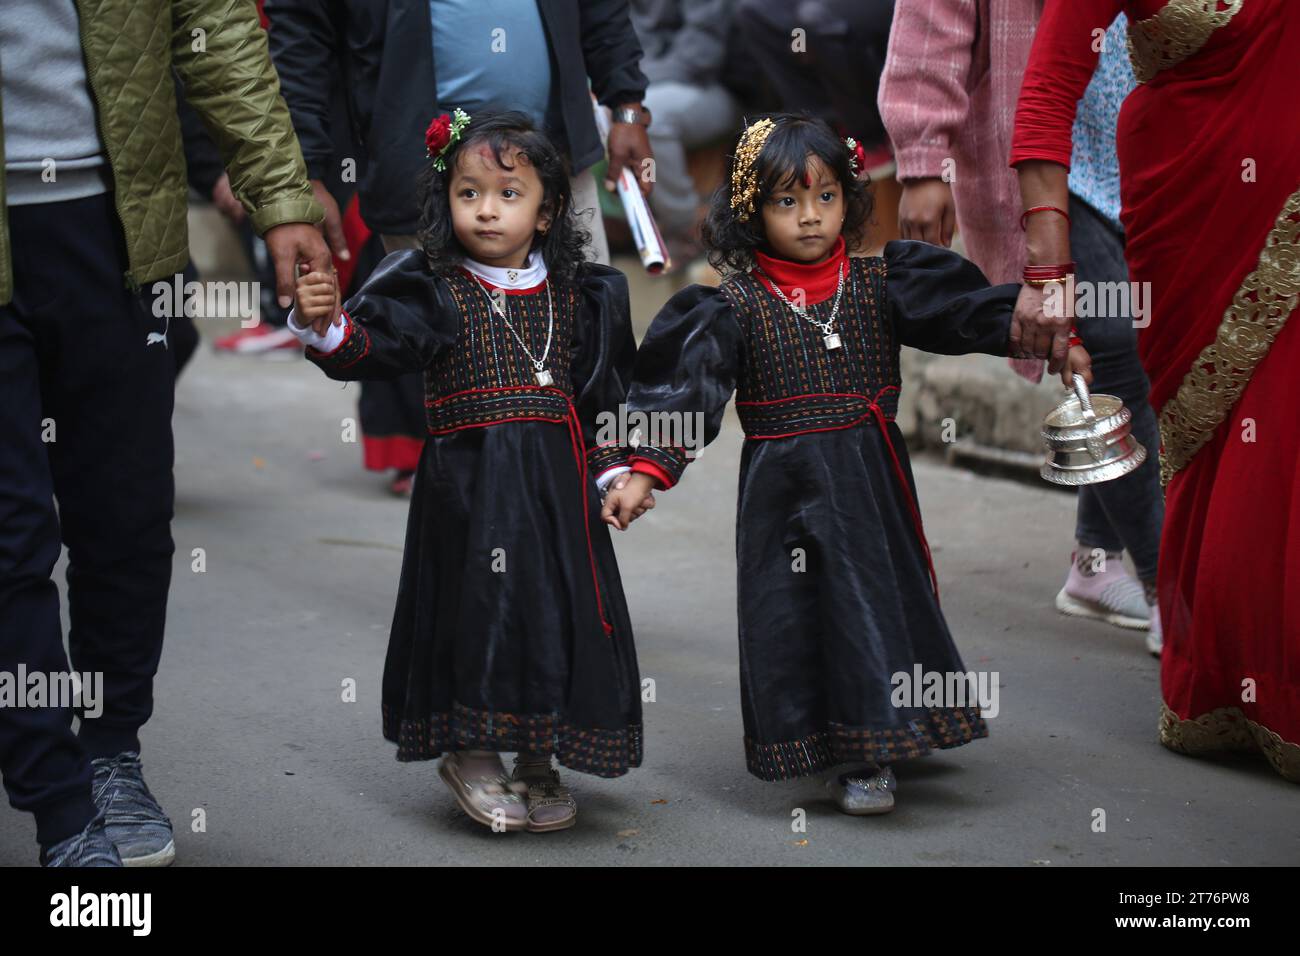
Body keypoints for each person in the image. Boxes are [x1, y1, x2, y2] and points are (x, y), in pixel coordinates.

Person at [604, 113, 1092, 813]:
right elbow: (686, 392)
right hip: (786, 496)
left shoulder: (881, 285)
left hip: (871, 482)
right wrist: (646, 469)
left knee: (876, 602)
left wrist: (1051, 340)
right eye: (786, 201)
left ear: (849, 200)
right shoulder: (731, 308)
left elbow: (968, 312)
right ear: (751, 212)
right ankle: (854, 753)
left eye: (826, 197)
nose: (809, 217)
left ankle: (885, 733)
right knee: (806, 615)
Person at [0, 0, 328, 866]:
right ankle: (59, 804)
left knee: (128, 517)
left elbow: (217, 26)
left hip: (119, 231)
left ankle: (111, 752)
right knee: (12, 536)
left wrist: (281, 194)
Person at [288, 111, 649, 832]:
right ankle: (473, 753)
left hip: (558, 498)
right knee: (475, 614)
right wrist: (320, 319)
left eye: (508, 194)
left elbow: (603, 404)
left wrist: (618, 476)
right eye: (469, 192)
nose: (486, 208)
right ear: (446, 201)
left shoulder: (586, 295)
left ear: (546, 212)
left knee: (552, 614)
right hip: (469, 499)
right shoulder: (433, 285)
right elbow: (365, 346)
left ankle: (539, 755)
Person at [1011, 0, 1300, 781]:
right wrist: (1048, 274)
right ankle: (1241, 682)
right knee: (1243, 443)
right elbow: (1044, 98)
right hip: (1195, 209)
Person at [878, 2, 1163, 653]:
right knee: (1108, 342)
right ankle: (1169, 585)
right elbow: (932, 21)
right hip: (1048, 153)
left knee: (1149, 346)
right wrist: (922, 160)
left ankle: (1095, 556)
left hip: (1154, 131)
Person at [266, 0, 655, 265]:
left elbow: (601, 9)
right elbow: (300, 35)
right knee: (459, 363)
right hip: (421, 177)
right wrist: (305, 174)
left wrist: (627, 106)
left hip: (557, 163)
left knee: (585, 343)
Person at [629, 0, 744, 268]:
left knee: (647, 116)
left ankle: (686, 225)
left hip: (721, 87)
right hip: (656, 83)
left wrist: (629, 89)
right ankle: (625, 225)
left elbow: (699, 58)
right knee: (598, 109)